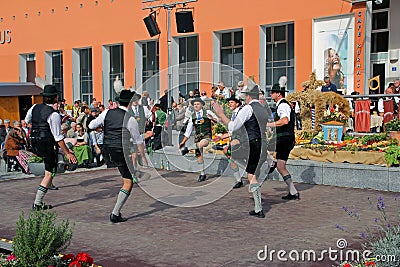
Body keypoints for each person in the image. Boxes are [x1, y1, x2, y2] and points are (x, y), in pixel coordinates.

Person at [89, 90, 146, 223]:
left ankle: (136, 172)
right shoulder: (130, 119)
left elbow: (91, 125)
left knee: (127, 172)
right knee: (128, 182)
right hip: (120, 150)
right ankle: (115, 213)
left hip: (107, 149)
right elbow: (138, 141)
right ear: (131, 103)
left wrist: (102, 128)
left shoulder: (107, 112)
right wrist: (143, 155)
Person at [212, 85, 269, 218]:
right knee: (240, 161)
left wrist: (220, 114)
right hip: (263, 142)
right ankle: (264, 165)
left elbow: (233, 126)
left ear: (248, 96)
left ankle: (258, 208)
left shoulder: (248, 108)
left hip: (252, 144)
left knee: (249, 174)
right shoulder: (263, 108)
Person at [25, 85, 77, 210]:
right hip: (46, 143)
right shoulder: (54, 115)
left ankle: (58, 161)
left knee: (52, 168)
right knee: (49, 173)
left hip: (34, 141)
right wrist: (68, 153)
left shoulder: (34, 107)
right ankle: (37, 203)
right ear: (56, 98)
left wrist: (40, 124)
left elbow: (27, 120)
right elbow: (58, 137)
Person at [267, 84, 300, 201]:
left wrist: (269, 125)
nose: (270, 94)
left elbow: (285, 120)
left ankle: (271, 163)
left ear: (278, 94)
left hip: (283, 138)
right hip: (285, 138)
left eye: (272, 92)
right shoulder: (283, 105)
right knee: (281, 167)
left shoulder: (282, 105)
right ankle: (293, 192)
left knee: (261, 146)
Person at [179, 97, 219, 182]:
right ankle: (202, 173)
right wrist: (182, 142)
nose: (196, 106)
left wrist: (211, 118)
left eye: (198, 104)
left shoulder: (207, 112)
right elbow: (188, 131)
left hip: (206, 135)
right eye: (194, 104)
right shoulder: (192, 116)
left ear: (202, 105)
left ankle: (187, 149)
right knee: (199, 156)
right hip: (197, 136)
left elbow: (217, 120)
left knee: (202, 143)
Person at [213, 95, 245, 188]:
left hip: (242, 139)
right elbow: (232, 130)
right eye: (229, 102)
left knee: (227, 150)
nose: (229, 104)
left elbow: (239, 128)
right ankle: (239, 180)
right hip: (235, 137)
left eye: (232, 102)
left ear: (237, 103)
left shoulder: (241, 112)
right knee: (230, 158)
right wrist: (221, 137)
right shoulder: (234, 114)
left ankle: (249, 169)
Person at [128, 92, 150, 168]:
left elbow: (145, 118)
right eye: (134, 99)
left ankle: (147, 167)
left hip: (140, 133)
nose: (135, 101)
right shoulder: (128, 109)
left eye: (137, 99)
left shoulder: (142, 108)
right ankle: (135, 168)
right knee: (133, 153)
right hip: (131, 134)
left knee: (142, 152)